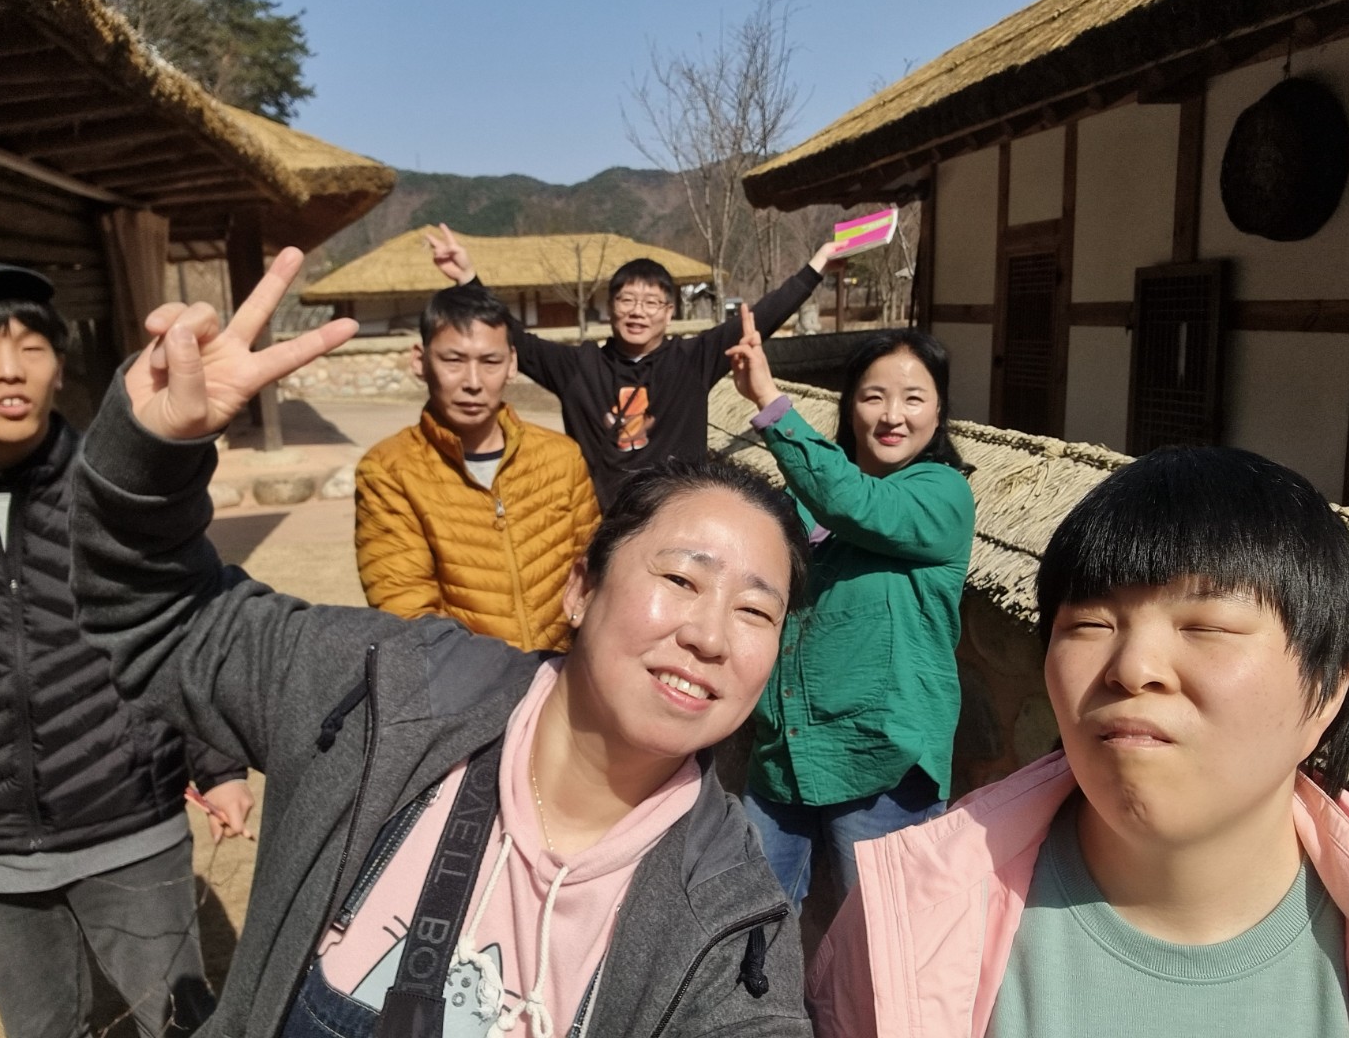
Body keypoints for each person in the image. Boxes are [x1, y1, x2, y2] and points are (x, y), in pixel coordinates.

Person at [69, 247, 817, 1037]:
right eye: (682, 579)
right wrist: (147, 459)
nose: (709, 634)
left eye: (755, 611)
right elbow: (160, 617)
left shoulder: (735, 917)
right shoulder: (383, 694)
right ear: (582, 586)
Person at [808, 446, 1349, 1038]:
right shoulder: (906, 922)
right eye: (1091, 624)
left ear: (1326, 692)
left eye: (1207, 626)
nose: (1133, 667)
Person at [0, 259, 255, 1038]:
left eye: (32, 347)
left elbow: (177, 617)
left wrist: (220, 765)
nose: (9, 369)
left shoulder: (110, 485)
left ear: (59, 369)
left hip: (128, 818)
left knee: (177, 1021)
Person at [725, 312, 975, 913]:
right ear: (850, 407)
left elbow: (853, 502)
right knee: (744, 922)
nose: (893, 416)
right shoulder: (803, 499)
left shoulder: (942, 495)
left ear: (939, 411)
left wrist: (768, 400)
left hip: (879, 763)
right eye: (873, 396)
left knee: (883, 939)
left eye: (914, 398)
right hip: (784, 755)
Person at [426, 223, 841, 507]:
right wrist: (468, 279)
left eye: (651, 302)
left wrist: (816, 267)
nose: (638, 311)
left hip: (676, 515)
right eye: (626, 300)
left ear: (669, 312)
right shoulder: (578, 366)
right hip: (600, 521)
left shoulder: (692, 360)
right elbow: (514, 336)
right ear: (610, 307)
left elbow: (762, 315)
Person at [355, 283, 599, 652]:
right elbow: (408, 611)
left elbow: (593, 576)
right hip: (467, 679)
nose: (473, 382)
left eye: (490, 362)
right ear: (420, 361)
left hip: (565, 671)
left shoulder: (560, 457)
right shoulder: (389, 470)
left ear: (512, 363)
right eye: (453, 360)